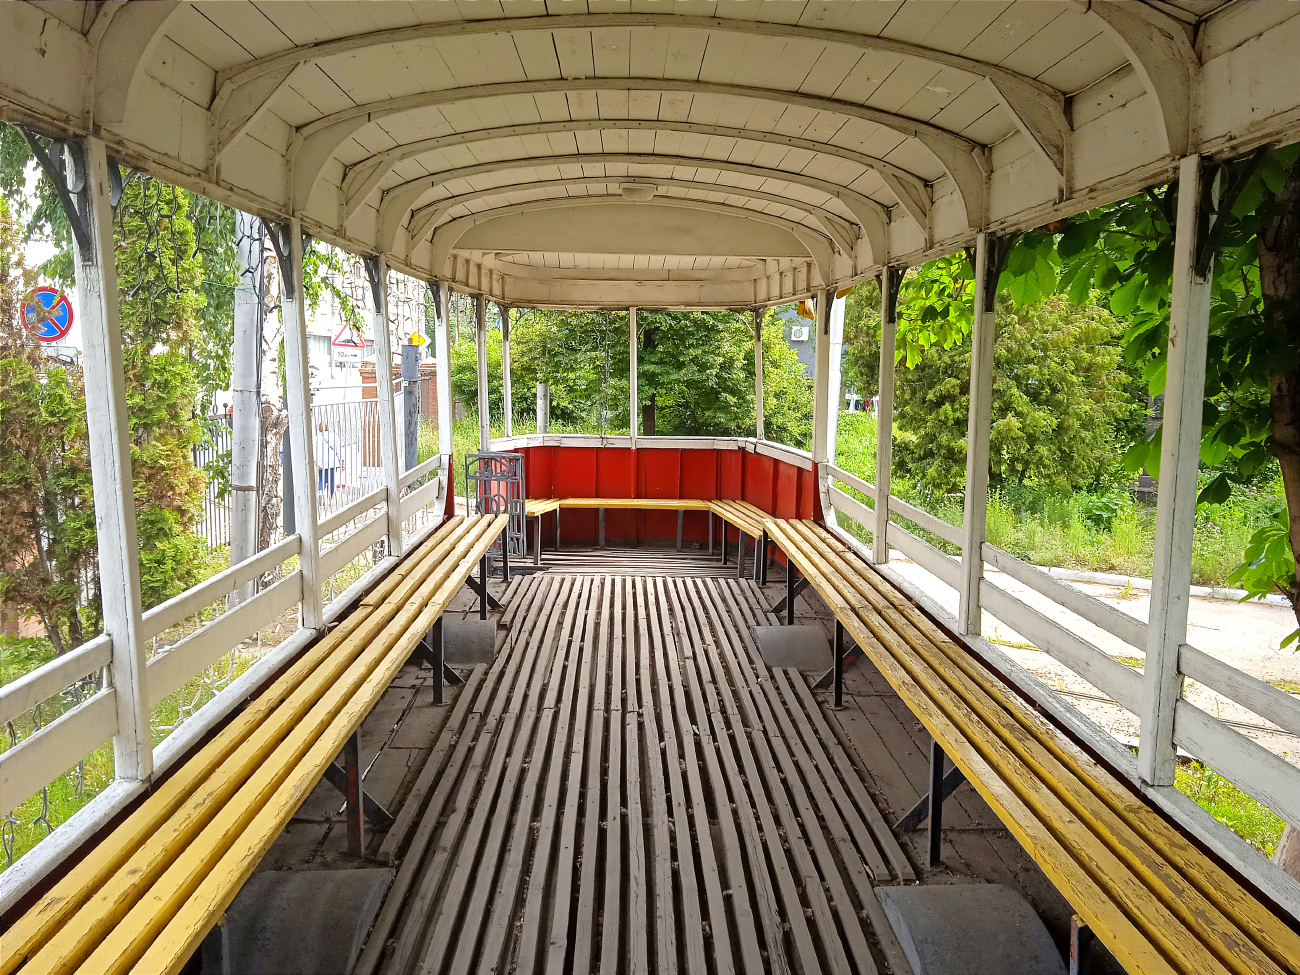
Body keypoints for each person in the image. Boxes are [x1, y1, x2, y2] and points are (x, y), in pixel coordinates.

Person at [315, 420, 340, 496]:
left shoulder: (317, 438)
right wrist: (341, 461)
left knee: (322, 479)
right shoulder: (334, 437)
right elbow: (339, 450)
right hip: (333, 462)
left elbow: (314, 450)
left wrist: (315, 461)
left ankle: (320, 492)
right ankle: (330, 495)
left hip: (322, 462)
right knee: (331, 479)